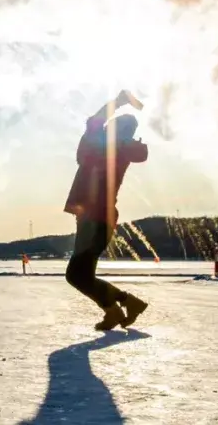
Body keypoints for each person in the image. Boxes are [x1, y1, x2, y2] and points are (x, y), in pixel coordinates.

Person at [63, 90, 151, 331]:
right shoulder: (116, 149)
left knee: (76, 275)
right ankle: (119, 307)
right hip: (98, 218)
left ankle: (122, 304)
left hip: (95, 219)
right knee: (82, 275)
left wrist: (120, 102)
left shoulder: (102, 146)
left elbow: (95, 119)